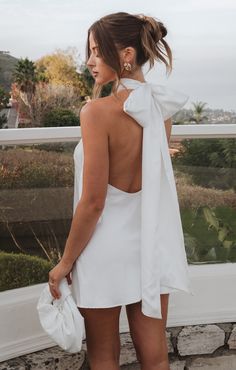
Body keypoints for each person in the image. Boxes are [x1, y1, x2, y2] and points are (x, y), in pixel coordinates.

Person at [48, 11, 192, 370]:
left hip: (104, 253)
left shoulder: (96, 113)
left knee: (103, 356)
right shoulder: (161, 111)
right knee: (156, 359)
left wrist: (65, 262)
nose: (90, 61)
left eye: (97, 51)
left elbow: (94, 203)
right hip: (149, 249)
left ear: (127, 54)